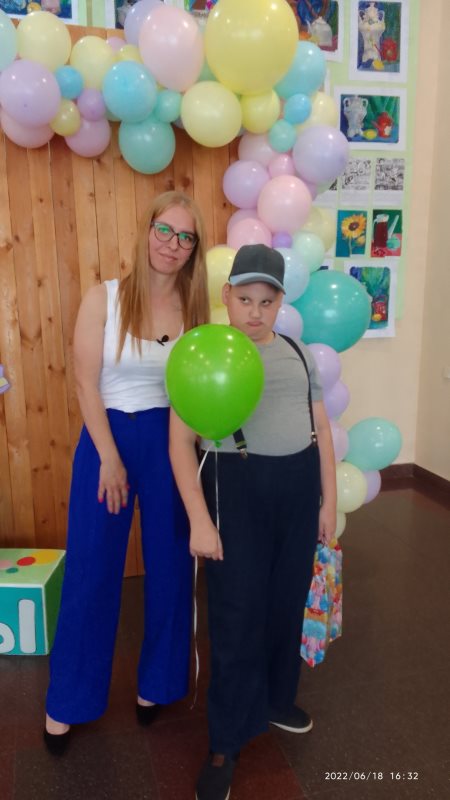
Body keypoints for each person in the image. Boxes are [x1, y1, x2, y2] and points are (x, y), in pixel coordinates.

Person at [44, 190, 210, 754]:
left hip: (169, 443)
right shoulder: (104, 298)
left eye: (185, 237)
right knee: (91, 572)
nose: (172, 244)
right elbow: (85, 383)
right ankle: (68, 703)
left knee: (171, 567)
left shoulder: (193, 311)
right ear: (146, 230)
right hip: (106, 440)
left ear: (193, 249)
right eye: (165, 230)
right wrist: (110, 456)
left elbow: (194, 389)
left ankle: (156, 686)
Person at [169, 244, 337, 800]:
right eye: (245, 299)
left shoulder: (297, 352)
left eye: (267, 301)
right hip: (234, 489)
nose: (255, 312)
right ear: (227, 296)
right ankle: (225, 741)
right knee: (237, 616)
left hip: (297, 489)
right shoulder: (204, 353)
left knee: (286, 604)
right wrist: (200, 519)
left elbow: (321, 429)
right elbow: (180, 444)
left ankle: (275, 699)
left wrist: (327, 502)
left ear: (281, 301)